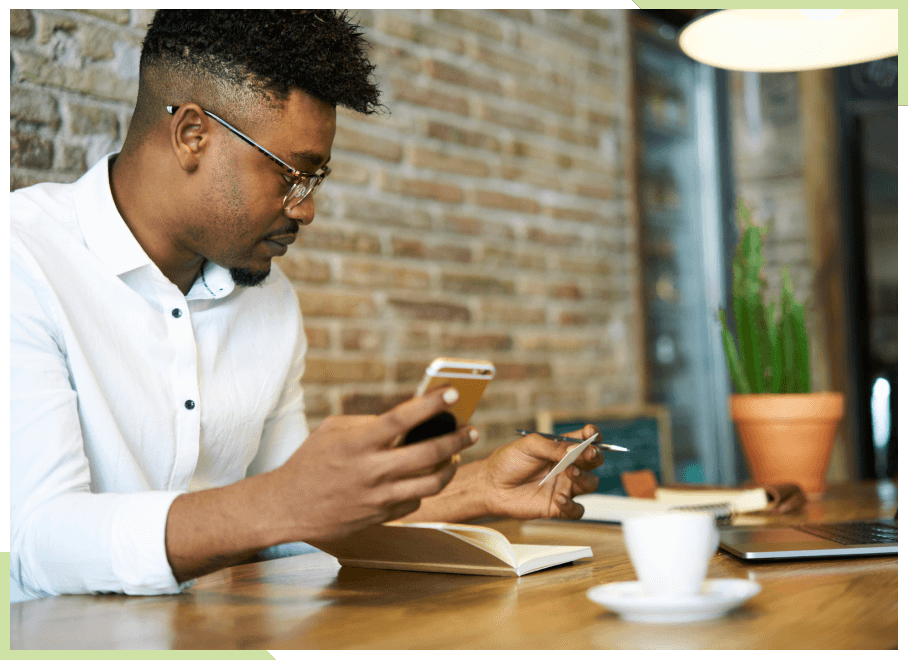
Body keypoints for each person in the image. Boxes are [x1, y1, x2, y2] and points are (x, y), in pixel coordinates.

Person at [9, 9, 603, 600]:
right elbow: (38, 541)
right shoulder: (27, 261)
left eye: (314, 181)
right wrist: (279, 502)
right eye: (294, 174)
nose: (305, 209)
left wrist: (476, 490)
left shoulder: (271, 304)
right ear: (193, 135)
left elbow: (299, 526)